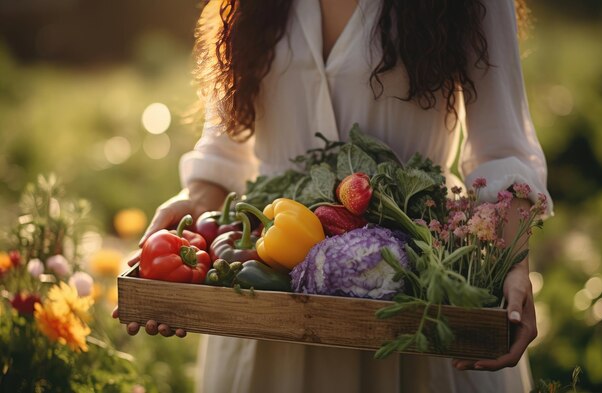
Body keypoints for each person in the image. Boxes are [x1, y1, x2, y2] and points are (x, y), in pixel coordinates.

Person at [115, 0, 553, 391]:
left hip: (413, 285)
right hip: (269, 294)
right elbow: (225, 147)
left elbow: (502, 151)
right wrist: (194, 209)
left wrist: (512, 259)